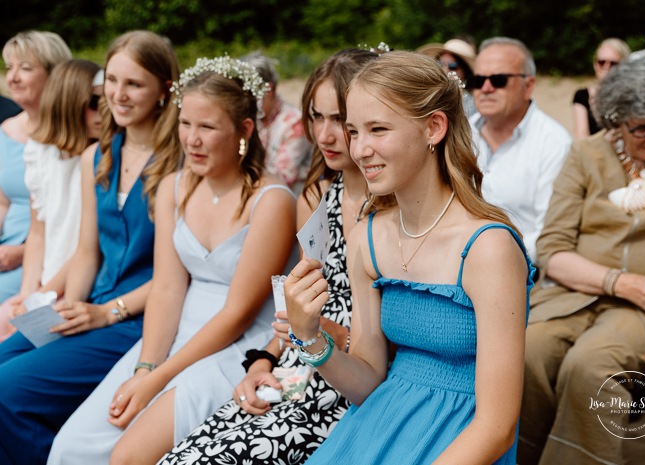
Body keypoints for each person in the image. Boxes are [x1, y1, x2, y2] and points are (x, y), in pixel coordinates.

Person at [285, 51, 533, 464]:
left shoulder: (489, 248)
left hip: (461, 443)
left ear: (434, 127)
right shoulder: (367, 235)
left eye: (378, 129)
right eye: (354, 132)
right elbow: (367, 380)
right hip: (380, 424)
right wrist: (310, 337)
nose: (361, 149)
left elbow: (498, 426)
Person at [49, 56, 298, 465]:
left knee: (127, 456)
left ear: (244, 130)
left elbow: (238, 313)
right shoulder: (173, 187)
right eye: (186, 124)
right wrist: (147, 365)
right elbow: (167, 287)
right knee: (72, 445)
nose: (192, 140)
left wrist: (160, 379)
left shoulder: (270, 201)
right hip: (175, 332)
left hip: (236, 343)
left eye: (207, 127)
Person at [159, 48, 377, 465]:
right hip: (295, 366)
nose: (325, 135)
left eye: (341, 121)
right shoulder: (316, 196)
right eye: (316, 117)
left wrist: (327, 334)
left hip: (350, 380)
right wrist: (263, 360)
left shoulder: (394, 210)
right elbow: (297, 298)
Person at [0, 30, 181, 465]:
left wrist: (105, 312)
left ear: (164, 90)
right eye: (112, 82)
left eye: (134, 84)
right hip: (92, 302)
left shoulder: (179, 162)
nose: (118, 95)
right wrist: (64, 311)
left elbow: (178, 275)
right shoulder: (97, 156)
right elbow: (86, 253)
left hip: (138, 316)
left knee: (7, 391)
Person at [518, 55, 645, 465]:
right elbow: (553, 250)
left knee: (593, 365)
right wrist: (619, 282)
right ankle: (518, 456)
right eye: (642, 129)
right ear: (617, 119)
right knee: (529, 351)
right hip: (575, 294)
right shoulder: (586, 155)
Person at [0, 59, 103, 342]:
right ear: (70, 102)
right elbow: (38, 230)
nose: (106, 112)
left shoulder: (102, 159)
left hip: (79, 286)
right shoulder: (40, 152)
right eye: (95, 102)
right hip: (46, 279)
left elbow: (88, 248)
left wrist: (43, 295)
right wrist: (28, 291)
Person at [469, 37, 571, 265]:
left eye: (499, 79)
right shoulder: (461, 135)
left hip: (524, 270)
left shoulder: (554, 143)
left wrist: (487, 256)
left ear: (529, 86)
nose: (486, 88)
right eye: (478, 80)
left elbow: (549, 233)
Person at [0, 31, 71, 304]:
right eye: (9, 68)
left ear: (55, 75)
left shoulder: (71, 138)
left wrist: (20, 253)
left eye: (25, 68)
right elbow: (3, 203)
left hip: (45, 258)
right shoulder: (6, 131)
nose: (13, 78)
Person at [243, 52, 312, 193]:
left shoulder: (294, 122)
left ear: (268, 90)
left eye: (249, 94)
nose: (245, 100)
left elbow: (282, 176)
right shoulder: (255, 118)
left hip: (291, 200)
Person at [572, 38, 630, 139]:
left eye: (613, 63)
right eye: (601, 62)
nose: (606, 66)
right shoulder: (582, 96)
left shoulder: (630, 96)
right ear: (595, 64)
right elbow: (582, 138)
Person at [418, 38, 478, 117]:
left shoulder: (472, 104)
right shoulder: (427, 97)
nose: (445, 70)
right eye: (439, 64)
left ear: (465, 71)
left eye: (452, 66)